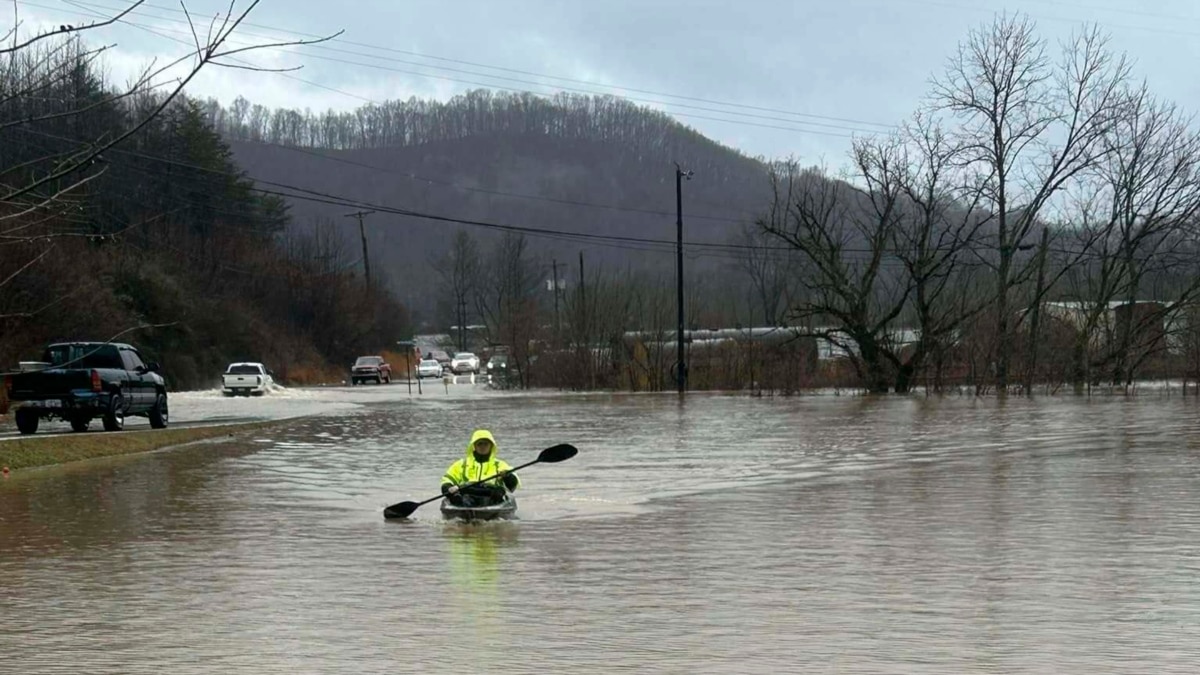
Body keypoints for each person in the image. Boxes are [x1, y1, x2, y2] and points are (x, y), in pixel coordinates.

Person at [441, 429, 520, 506]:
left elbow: (513, 486)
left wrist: (507, 476)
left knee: (499, 492)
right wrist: (448, 487)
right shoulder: (461, 464)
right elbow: (447, 480)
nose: (483, 447)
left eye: (486, 444)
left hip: (491, 497)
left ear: (491, 446)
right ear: (474, 446)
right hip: (467, 495)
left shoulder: (500, 465)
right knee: (458, 498)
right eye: (480, 444)